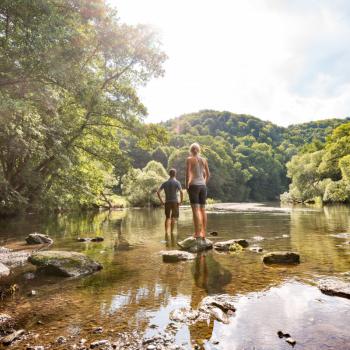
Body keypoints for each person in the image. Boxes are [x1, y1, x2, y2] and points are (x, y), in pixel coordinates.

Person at [185, 143, 210, 240]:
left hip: (193, 186)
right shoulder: (204, 160)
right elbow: (208, 174)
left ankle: (197, 233)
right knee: (203, 210)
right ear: (198, 150)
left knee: (195, 210)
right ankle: (203, 232)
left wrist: (186, 185)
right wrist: (204, 183)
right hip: (203, 186)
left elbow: (187, 174)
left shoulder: (189, 159)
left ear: (191, 150)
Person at [157, 168, 183, 237]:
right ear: (175, 174)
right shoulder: (177, 182)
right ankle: (171, 233)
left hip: (167, 202)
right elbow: (181, 192)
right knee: (173, 218)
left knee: (167, 217)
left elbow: (158, 192)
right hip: (175, 202)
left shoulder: (165, 183)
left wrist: (162, 201)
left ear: (169, 174)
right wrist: (181, 201)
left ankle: (166, 233)